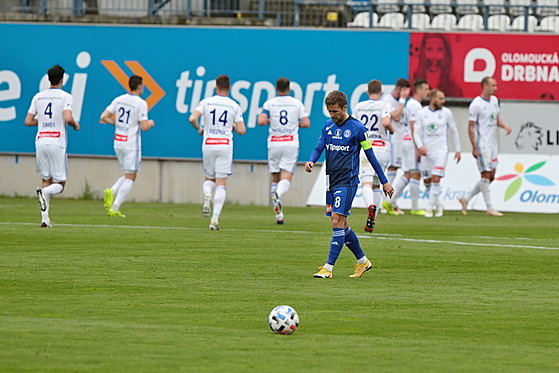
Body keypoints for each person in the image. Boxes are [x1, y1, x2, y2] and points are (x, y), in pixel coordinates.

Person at [305, 91, 394, 278]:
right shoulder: (327, 126)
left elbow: (371, 157)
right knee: (341, 224)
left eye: (335, 111)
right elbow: (319, 146)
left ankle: (328, 268)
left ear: (344, 107)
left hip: (348, 182)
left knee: (337, 221)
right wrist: (311, 160)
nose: (332, 115)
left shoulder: (358, 128)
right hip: (331, 182)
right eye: (329, 111)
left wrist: (384, 181)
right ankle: (363, 262)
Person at [24, 64, 80, 228]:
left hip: (41, 140)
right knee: (60, 184)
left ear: (48, 79)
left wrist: (42, 122)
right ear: (62, 80)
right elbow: (68, 118)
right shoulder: (65, 96)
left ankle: (44, 219)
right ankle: (45, 193)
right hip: (56, 141)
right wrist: (75, 125)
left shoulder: (38, 97)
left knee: (46, 179)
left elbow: (28, 121)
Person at [189, 74, 246, 230]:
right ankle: (214, 219)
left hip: (209, 144)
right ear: (229, 88)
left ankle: (207, 194)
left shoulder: (206, 102)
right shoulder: (233, 105)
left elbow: (192, 118)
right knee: (221, 183)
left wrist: (201, 129)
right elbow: (241, 130)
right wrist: (233, 126)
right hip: (224, 145)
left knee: (209, 178)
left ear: (216, 87)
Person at [100, 75, 155, 218]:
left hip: (118, 141)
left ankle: (112, 192)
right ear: (139, 86)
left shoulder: (119, 100)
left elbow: (104, 116)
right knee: (131, 176)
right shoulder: (141, 103)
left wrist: (118, 124)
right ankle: (115, 205)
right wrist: (150, 123)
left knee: (127, 174)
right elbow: (144, 127)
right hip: (131, 144)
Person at [257, 77, 310, 224]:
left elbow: (261, 121)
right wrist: (295, 124)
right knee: (286, 176)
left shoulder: (270, 103)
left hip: (274, 143)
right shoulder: (296, 103)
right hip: (290, 143)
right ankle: (278, 195)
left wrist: (269, 121)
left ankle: (279, 216)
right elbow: (306, 123)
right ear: (289, 88)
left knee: (275, 177)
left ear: (276, 88)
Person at [459, 77, 511, 216]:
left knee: (491, 176)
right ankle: (489, 208)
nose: (496, 88)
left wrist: (504, 126)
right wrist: (474, 147)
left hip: (493, 144)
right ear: (485, 86)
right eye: (493, 85)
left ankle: (466, 199)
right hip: (482, 145)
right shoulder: (476, 104)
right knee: (485, 174)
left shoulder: (494, 101)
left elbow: (495, 118)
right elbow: (470, 127)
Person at [383, 79, 430, 216]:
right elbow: (411, 125)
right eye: (426, 89)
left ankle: (391, 201)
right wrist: (418, 146)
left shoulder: (409, 103)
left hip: (403, 140)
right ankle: (401, 204)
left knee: (408, 173)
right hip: (401, 140)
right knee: (412, 173)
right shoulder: (413, 105)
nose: (427, 92)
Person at [352, 79, 393, 232]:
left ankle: (371, 206)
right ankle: (373, 219)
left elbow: (353, 126)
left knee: (366, 183)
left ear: (368, 92)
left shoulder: (359, 107)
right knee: (376, 184)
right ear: (380, 92)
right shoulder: (385, 104)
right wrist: (392, 130)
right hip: (382, 148)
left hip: (366, 148)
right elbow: (387, 123)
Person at [413, 89, 461, 217]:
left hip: (441, 150)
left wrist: (458, 150)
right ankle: (438, 204)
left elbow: (454, 131)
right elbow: (416, 132)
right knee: (427, 181)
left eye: (443, 98)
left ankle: (429, 208)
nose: (443, 101)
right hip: (426, 151)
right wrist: (420, 146)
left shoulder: (447, 113)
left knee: (436, 177)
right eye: (440, 99)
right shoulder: (422, 113)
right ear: (433, 99)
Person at [382, 78, 411, 215]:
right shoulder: (388, 100)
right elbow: (396, 117)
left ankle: (390, 201)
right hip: (392, 138)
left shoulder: (400, 102)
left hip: (402, 140)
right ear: (399, 89)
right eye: (405, 91)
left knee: (401, 170)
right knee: (392, 168)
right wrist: (402, 100)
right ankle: (385, 201)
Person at [412, 33, 463, 98]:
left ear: (446, 53)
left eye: (440, 50)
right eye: (429, 49)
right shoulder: (412, 84)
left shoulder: (455, 89)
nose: (434, 56)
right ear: (423, 51)